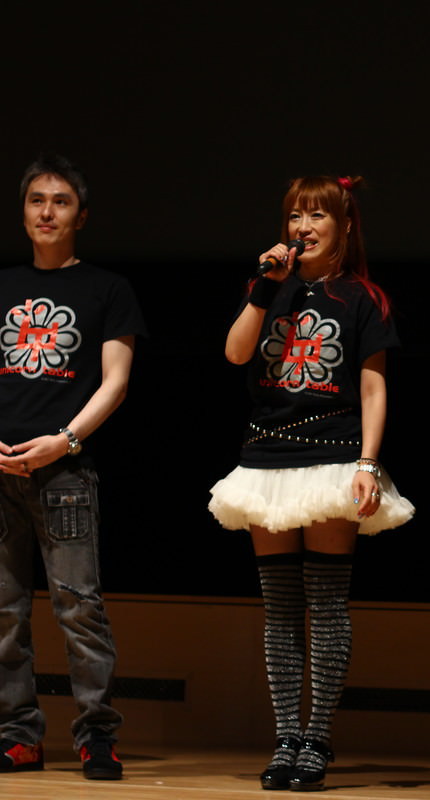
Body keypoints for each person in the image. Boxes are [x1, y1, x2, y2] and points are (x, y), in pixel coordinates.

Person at [208, 175, 413, 792]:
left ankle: (317, 736)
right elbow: (235, 354)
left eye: (318, 215)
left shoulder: (363, 299)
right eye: (296, 215)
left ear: (344, 226)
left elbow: (374, 387)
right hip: (267, 457)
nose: (304, 226)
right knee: (279, 609)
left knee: (325, 605)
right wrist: (264, 286)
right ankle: (286, 739)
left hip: (333, 454)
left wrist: (368, 464)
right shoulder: (270, 287)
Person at [0, 154, 145, 780]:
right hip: (0, 469)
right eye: (37, 200)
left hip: (64, 472)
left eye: (60, 201)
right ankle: (18, 737)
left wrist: (63, 442)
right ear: (23, 212)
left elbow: (115, 382)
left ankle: (97, 735)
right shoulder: (3, 284)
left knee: (79, 607)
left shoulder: (107, 289)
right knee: (4, 612)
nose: (47, 211)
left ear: (80, 216)